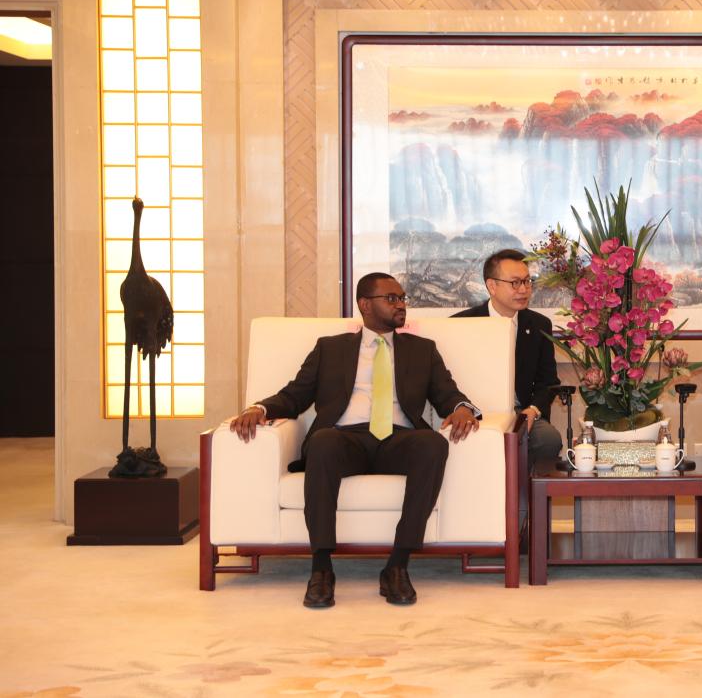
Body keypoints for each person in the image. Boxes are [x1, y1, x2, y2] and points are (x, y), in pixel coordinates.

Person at [227, 272, 481, 609]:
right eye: (391, 298)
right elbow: (295, 395)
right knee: (322, 442)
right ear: (365, 304)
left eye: (402, 298)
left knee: (433, 444)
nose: (401, 304)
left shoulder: (422, 350)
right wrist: (259, 408)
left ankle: (397, 565)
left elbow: (447, 394)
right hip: (345, 439)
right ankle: (321, 569)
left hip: (399, 439)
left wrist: (462, 408)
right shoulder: (330, 348)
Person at [453, 249, 562, 464]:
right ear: (492, 286)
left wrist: (533, 410)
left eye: (527, 281)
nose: (523, 289)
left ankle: (525, 487)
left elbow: (548, 382)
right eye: (515, 283)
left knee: (548, 439)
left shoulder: (539, 325)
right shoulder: (461, 324)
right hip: (477, 412)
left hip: (521, 413)